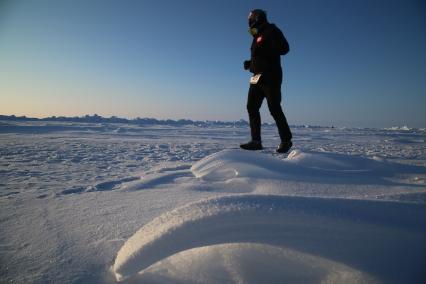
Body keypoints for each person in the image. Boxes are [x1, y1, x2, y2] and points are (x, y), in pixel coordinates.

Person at [240, 9, 293, 153]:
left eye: (250, 19)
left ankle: (286, 140)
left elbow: (284, 48)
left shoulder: (271, 30)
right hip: (257, 77)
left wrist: (271, 46)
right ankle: (256, 141)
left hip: (271, 76)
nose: (249, 22)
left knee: (274, 108)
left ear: (257, 18)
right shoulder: (256, 35)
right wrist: (250, 64)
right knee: (251, 107)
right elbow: (260, 55)